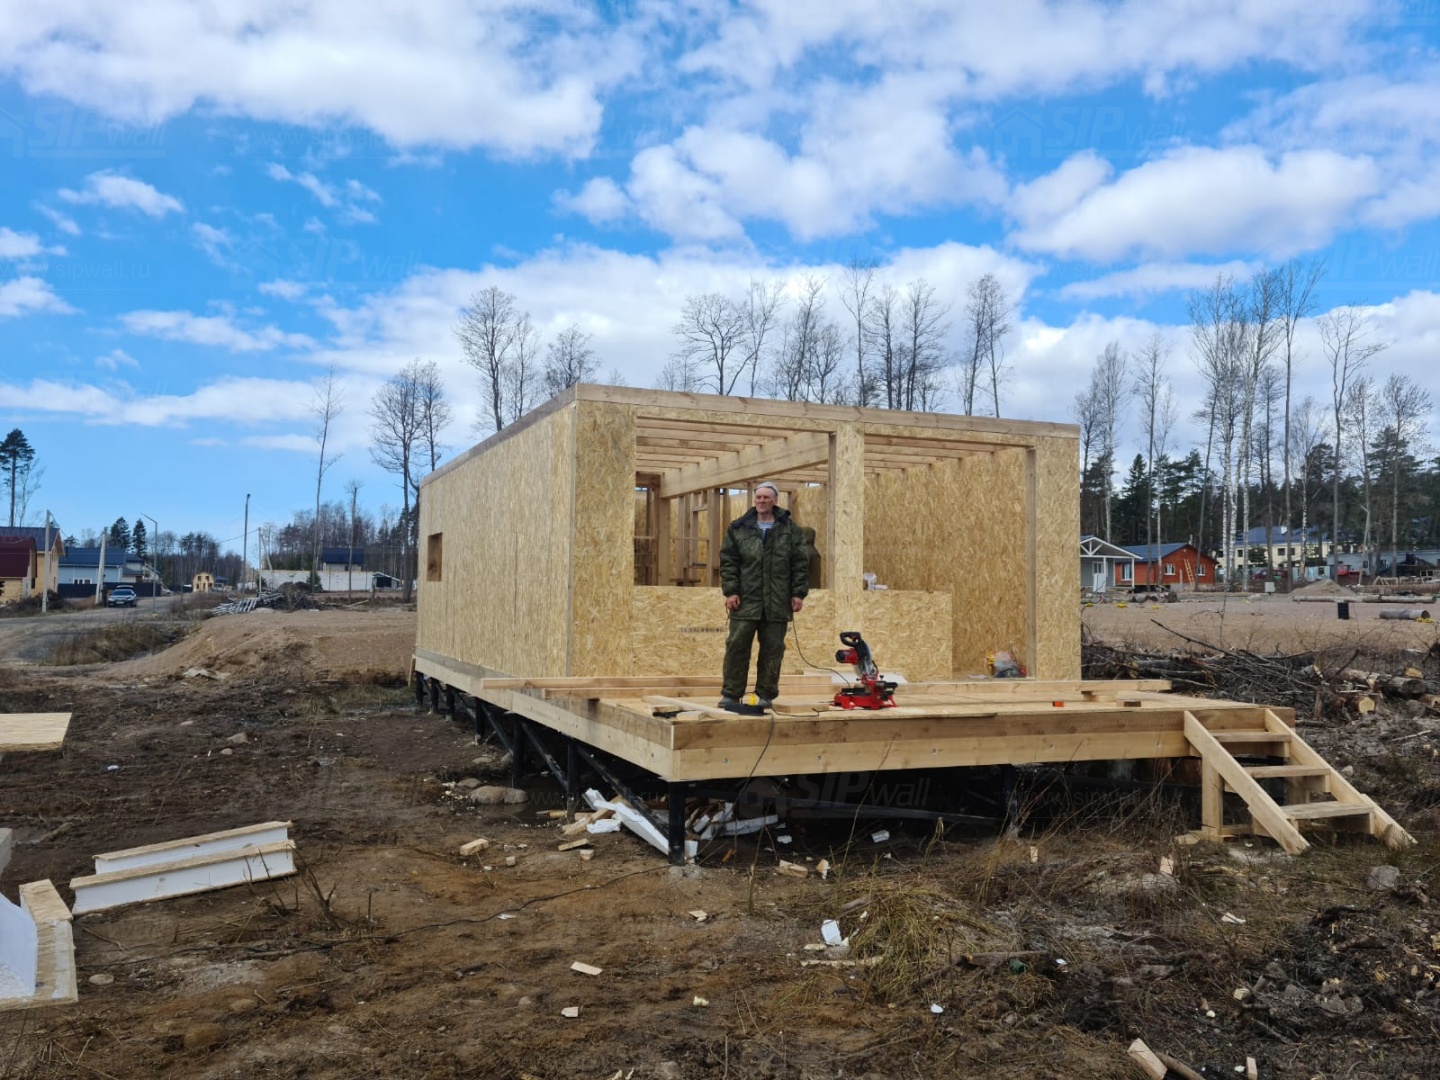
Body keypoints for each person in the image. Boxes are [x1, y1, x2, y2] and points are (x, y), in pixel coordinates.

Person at [718, 481, 809, 708]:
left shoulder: (790, 530)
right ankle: (731, 694)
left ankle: (766, 695)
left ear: (775, 500)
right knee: (737, 646)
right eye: (758, 497)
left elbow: (800, 564)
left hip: (777, 602)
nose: (761, 501)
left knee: (773, 649)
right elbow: (729, 562)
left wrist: (798, 593)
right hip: (745, 601)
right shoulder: (738, 528)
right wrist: (731, 591)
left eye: (766, 497)